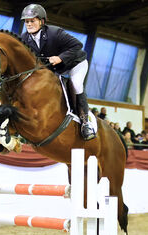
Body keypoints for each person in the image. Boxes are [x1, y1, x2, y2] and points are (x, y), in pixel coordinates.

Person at [21, 4, 95, 140]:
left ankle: (86, 123)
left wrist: (60, 57)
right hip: (55, 68)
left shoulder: (55, 33)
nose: (29, 24)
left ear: (42, 21)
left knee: (76, 84)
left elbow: (78, 45)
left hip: (75, 63)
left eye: (32, 21)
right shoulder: (24, 39)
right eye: (27, 21)